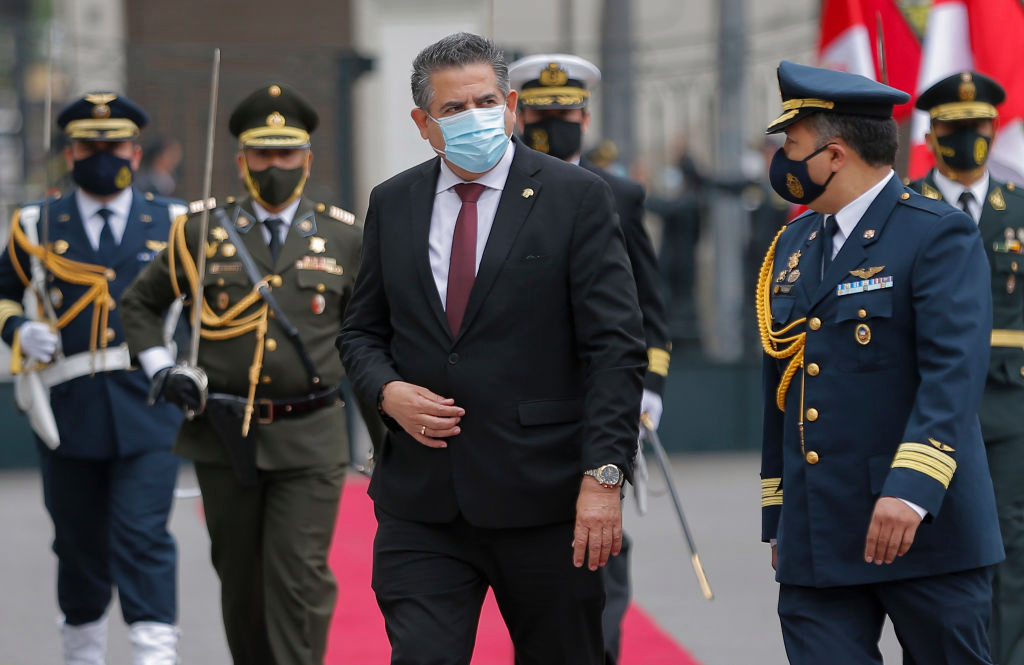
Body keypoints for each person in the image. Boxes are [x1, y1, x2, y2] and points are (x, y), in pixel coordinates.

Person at [337, 32, 646, 665]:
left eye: (484, 102)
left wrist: (604, 477)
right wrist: (387, 391)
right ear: (423, 123)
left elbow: (615, 348)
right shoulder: (393, 202)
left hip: (546, 497)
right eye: (453, 108)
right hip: (422, 502)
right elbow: (361, 331)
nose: (473, 117)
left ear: (510, 106)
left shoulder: (575, 197)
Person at [756, 61, 1004, 664]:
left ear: (834, 155)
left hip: (922, 525)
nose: (783, 161)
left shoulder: (936, 233)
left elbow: (952, 375)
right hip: (819, 529)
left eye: (792, 146)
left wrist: (911, 490)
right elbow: (782, 383)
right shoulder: (792, 245)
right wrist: (780, 511)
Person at [120, 83, 363, 665]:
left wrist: (387, 443)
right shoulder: (202, 232)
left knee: (298, 577)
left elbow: (367, 339)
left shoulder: (344, 236)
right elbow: (140, 304)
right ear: (241, 160)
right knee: (242, 579)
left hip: (311, 436)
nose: (275, 166)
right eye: (262, 153)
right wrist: (162, 368)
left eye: (287, 153)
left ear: (307, 159)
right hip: (225, 435)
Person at [0, 93, 184, 664]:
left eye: (115, 145)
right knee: (77, 542)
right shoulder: (36, 223)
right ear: (70, 153)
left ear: (135, 152)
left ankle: (155, 652)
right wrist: (19, 330)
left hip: (148, 402)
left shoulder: (174, 221)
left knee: (143, 534)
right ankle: (82, 652)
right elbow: (3, 295)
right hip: (68, 409)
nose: (103, 155)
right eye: (89, 146)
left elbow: (207, 303)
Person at [508, 52, 670, 665]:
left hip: (596, 399)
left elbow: (650, 310)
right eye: (541, 115)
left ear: (585, 117)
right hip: (521, 400)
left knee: (598, 540)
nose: (555, 126)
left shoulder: (617, 195)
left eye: (565, 114)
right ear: (520, 116)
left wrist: (647, 391)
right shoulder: (498, 190)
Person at [908, 70, 1024, 665]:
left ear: (994, 130)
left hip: (1006, 400)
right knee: (928, 539)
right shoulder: (904, 210)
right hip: (924, 401)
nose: (967, 139)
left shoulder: (1019, 210)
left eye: (977, 127)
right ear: (931, 135)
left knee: (1007, 538)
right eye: (954, 129)